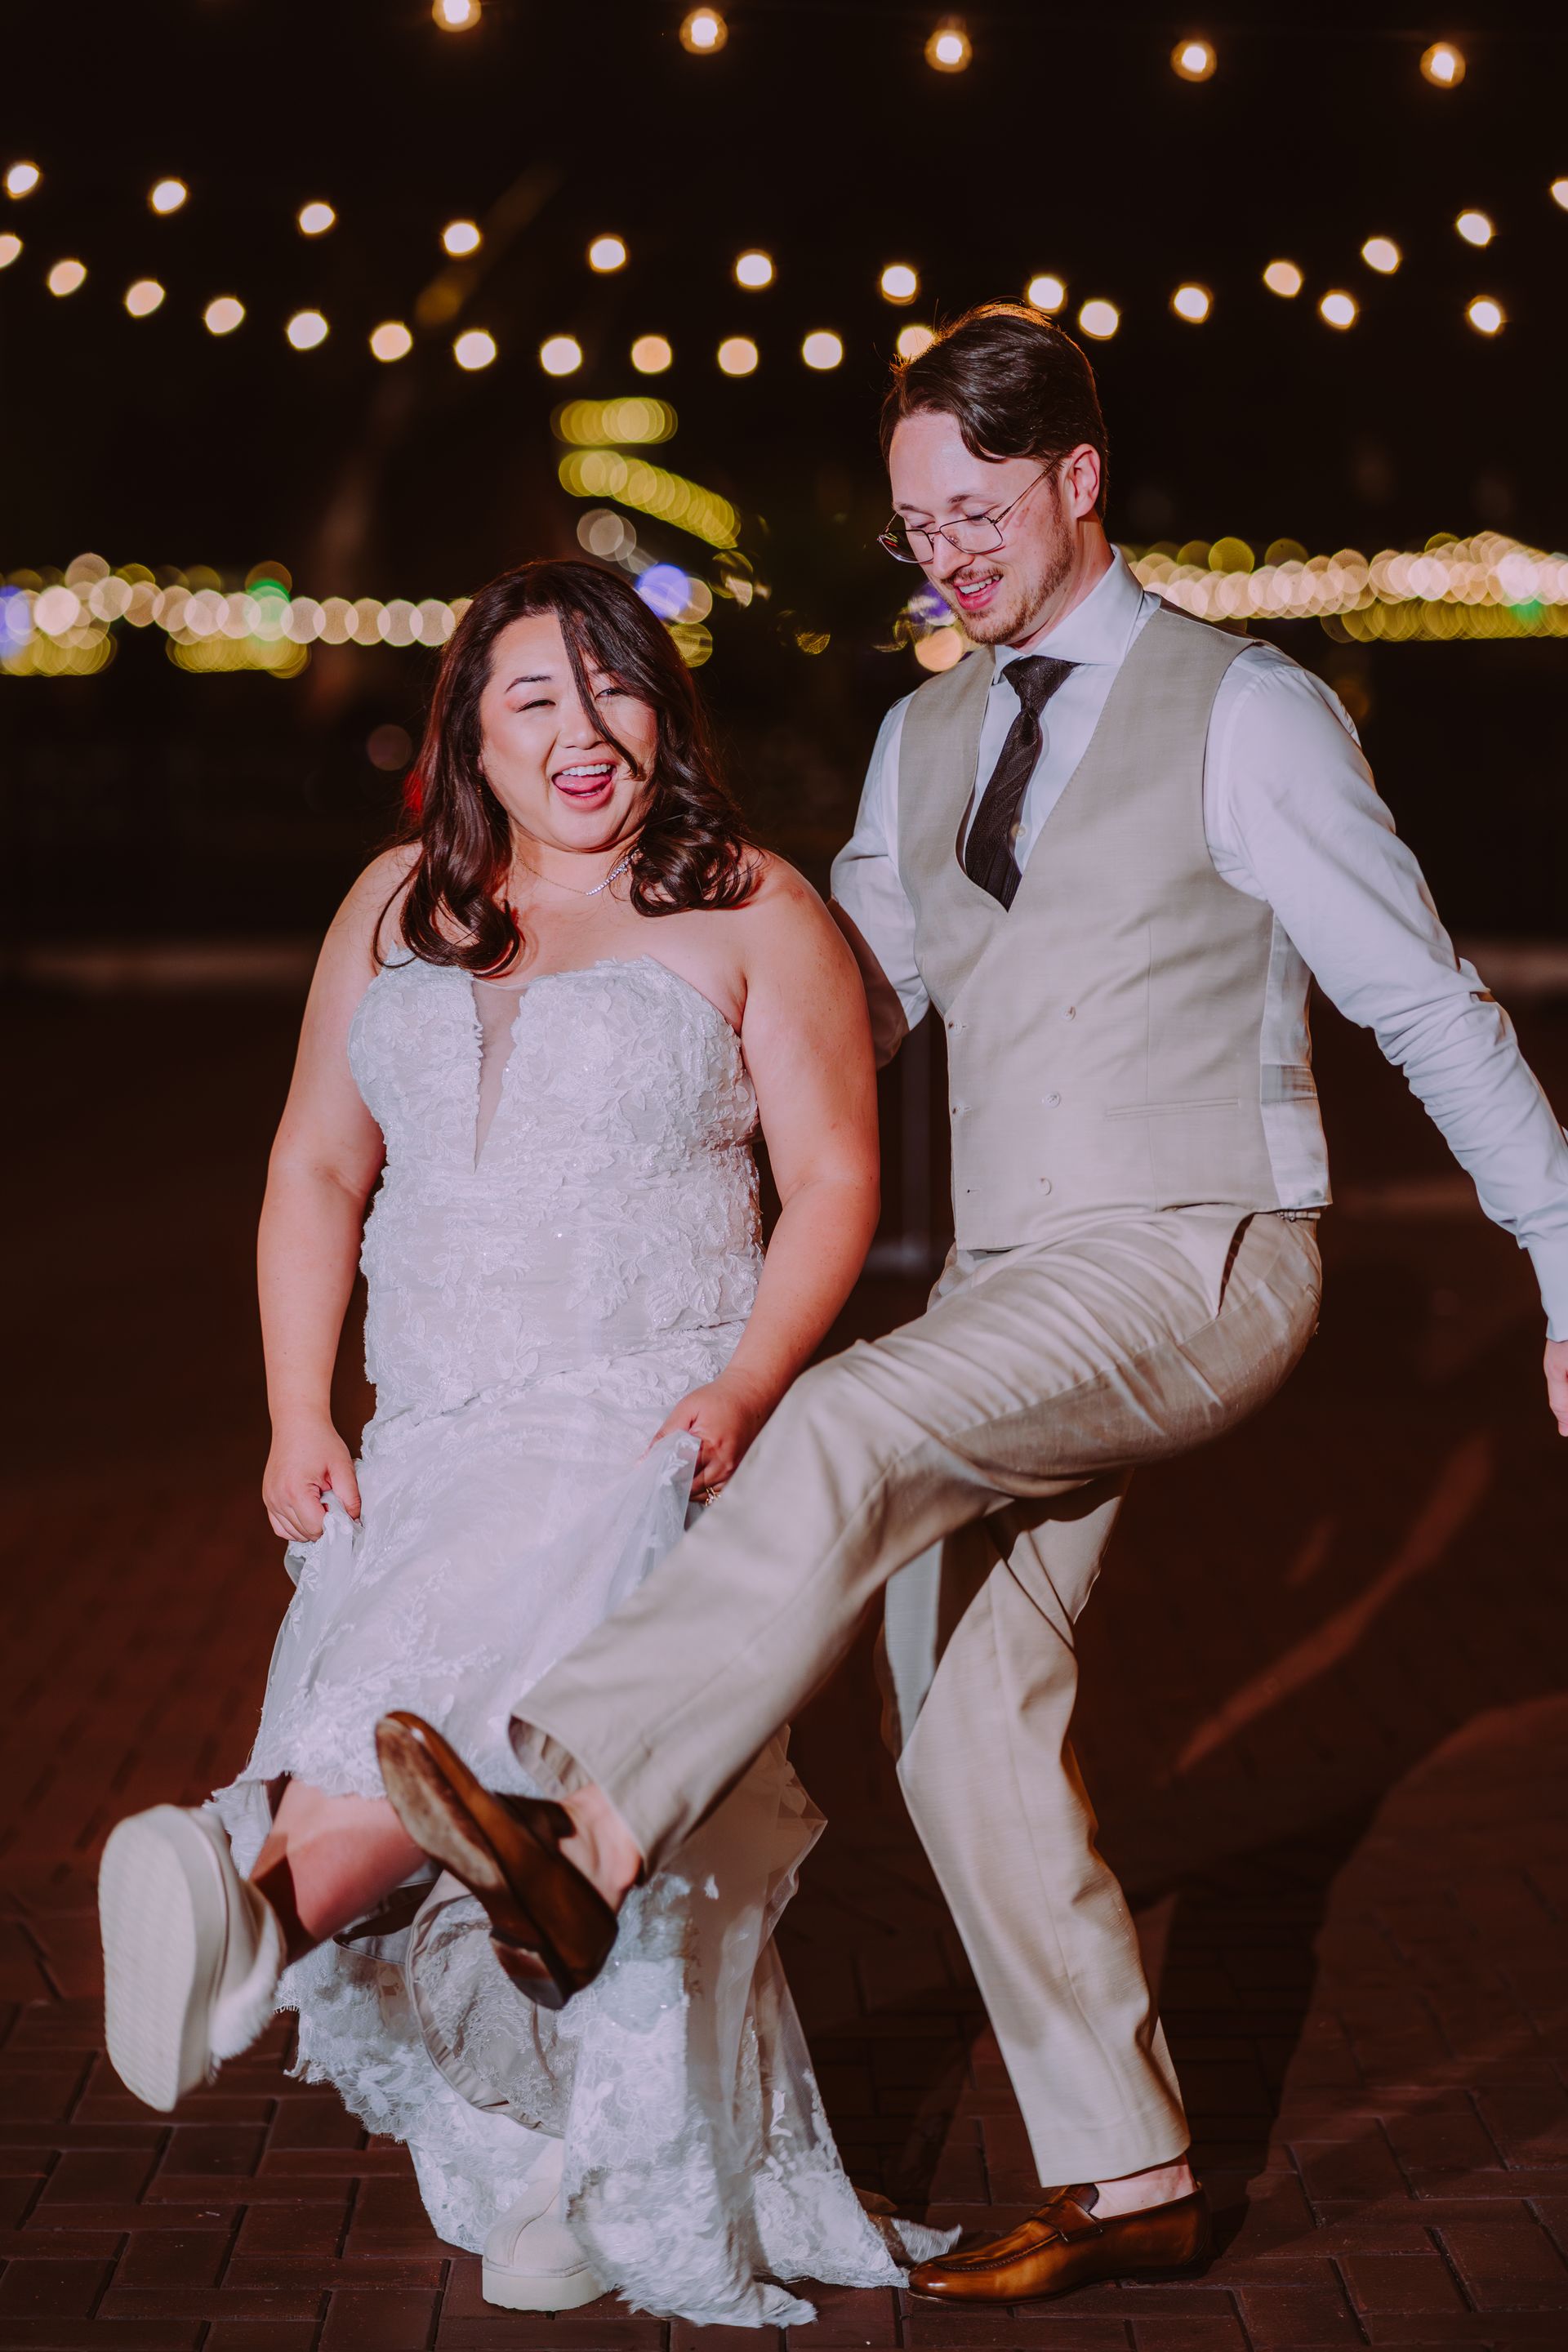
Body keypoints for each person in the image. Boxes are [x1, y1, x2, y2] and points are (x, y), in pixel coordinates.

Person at [372, 303, 1568, 2309]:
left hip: (1197, 1248)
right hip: (1019, 1280)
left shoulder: (1246, 712)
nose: (946, 554)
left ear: (1081, 478)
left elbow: (1424, 999)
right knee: (960, 1720)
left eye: (979, 511)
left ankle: (580, 1820)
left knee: (849, 1419)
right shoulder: (929, 737)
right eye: (918, 525)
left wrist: (1562, 1250)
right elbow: (855, 1013)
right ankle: (1133, 2176)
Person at [96, 558, 952, 2327]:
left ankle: (246, 1908)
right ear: (468, 734)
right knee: (430, 1746)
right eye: (535, 701)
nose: (584, 735)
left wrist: (741, 1389)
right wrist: (289, 1407)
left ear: (667, 712)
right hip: (428, 1427)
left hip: (641, 1423)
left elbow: (838, 1184)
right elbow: (315, 1171)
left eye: (617, 692)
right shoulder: (388, 907)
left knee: (503, 1738)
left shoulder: (748, 904)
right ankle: (541, 2158)